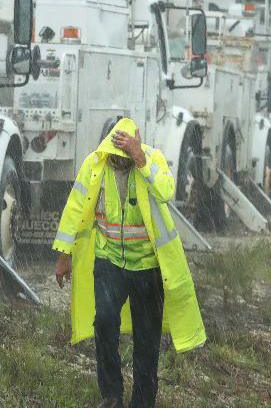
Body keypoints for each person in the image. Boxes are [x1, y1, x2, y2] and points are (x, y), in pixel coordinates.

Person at [52, 117, 206, 408]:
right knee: (105, 322)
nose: (118, 161)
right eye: (116, 154)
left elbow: (166, 191)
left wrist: (140, 158)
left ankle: (143, 401)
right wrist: (64, 255)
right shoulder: (95, 165)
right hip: (109, 261)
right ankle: (111, 396)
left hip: (147, 267)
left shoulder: (151, 158)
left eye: (124, 155)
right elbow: (74, 208)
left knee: (146, 341)